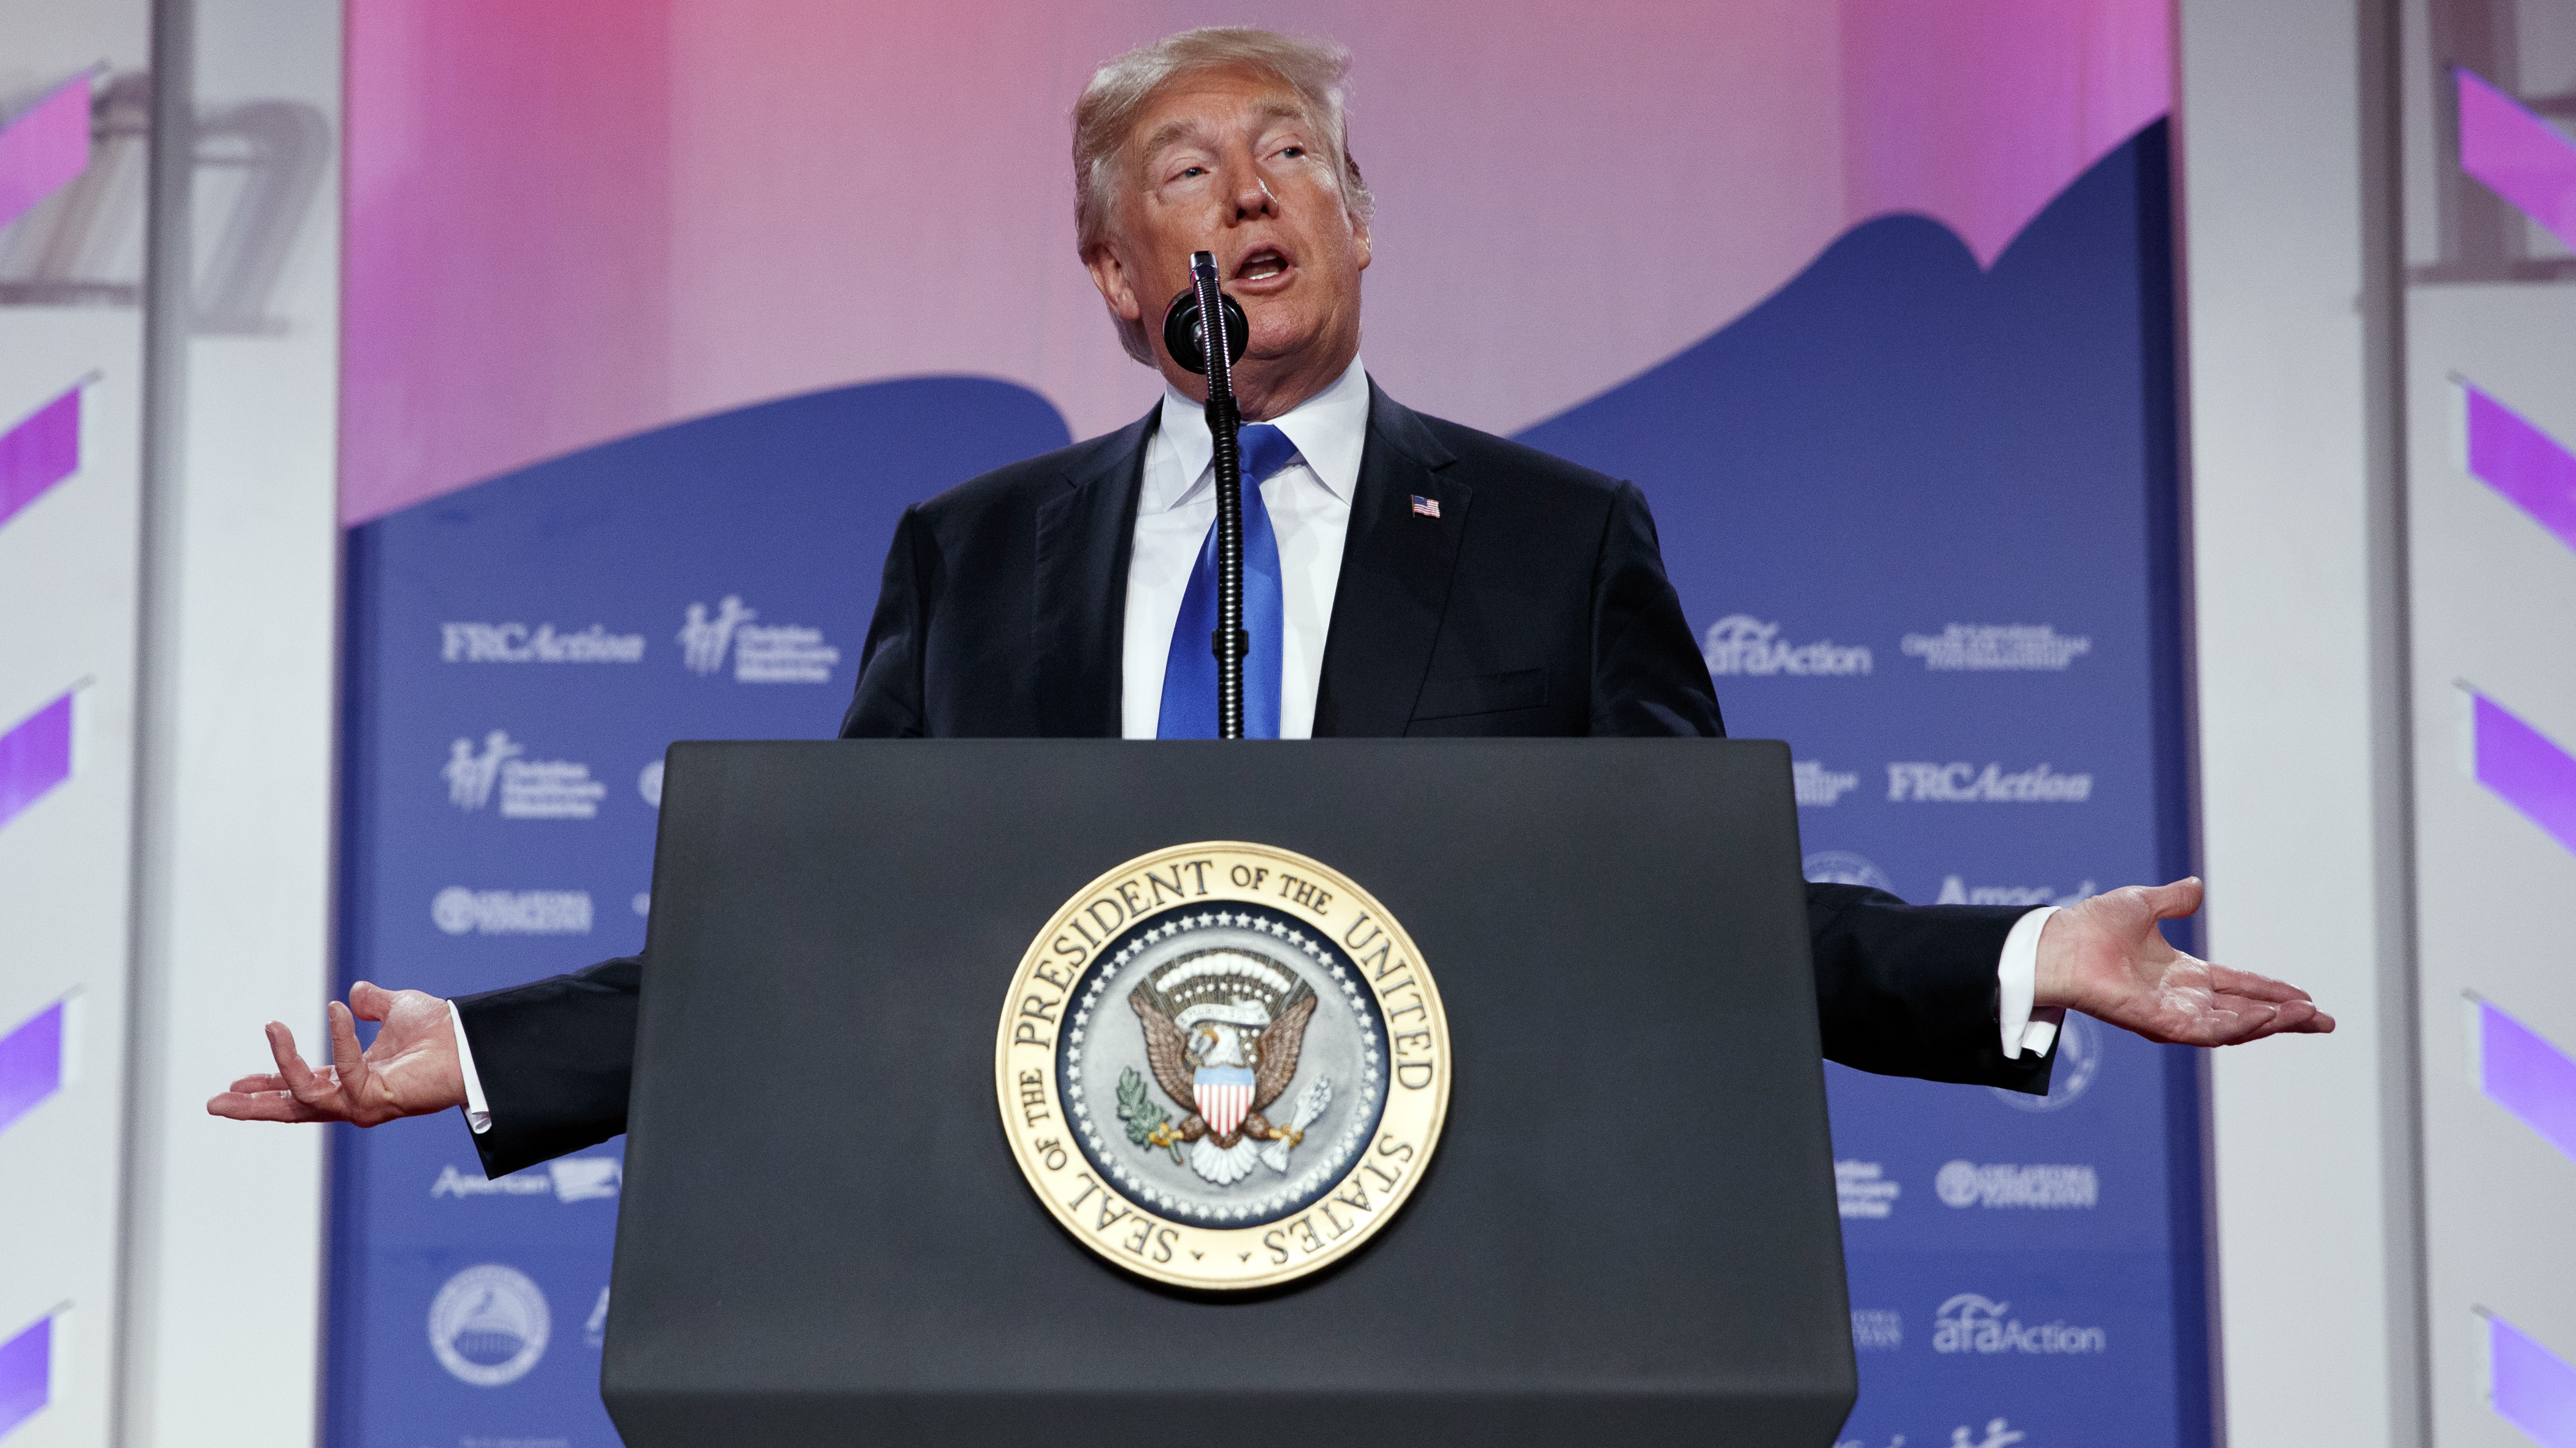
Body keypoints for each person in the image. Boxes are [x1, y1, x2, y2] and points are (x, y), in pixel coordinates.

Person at [209, 28, 2329, 1174]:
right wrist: (480, 1052)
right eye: (1187, 172)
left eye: (1294, 154)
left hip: (1464, 1289)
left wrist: (2037, 953)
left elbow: (1690, 904)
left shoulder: (1548, 536)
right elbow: (829, 932)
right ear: (1119, 278)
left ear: (1365, 224)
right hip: (1035, 1296)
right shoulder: (972, 554)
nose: (1249, 191)